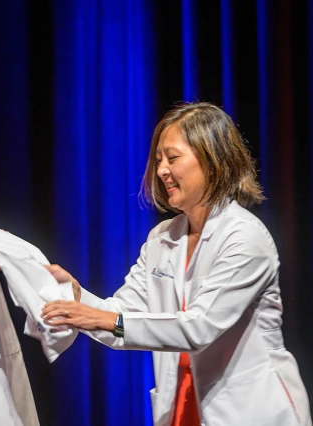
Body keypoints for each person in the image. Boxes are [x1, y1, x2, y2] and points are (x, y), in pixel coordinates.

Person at [41, 102, 312, 426]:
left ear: (212, 160)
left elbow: (197, 328)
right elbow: (121, 320)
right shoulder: (162, 238)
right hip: (182, 410)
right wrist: (78, 299)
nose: (161, 171)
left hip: (252, 413)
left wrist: (101, 317)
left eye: (172, 158)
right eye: (158, 160)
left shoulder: (245, 238)